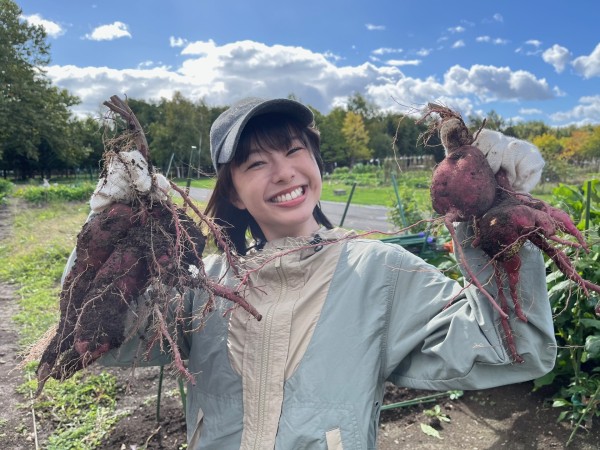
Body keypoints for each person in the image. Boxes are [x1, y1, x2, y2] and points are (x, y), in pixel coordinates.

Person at [96, 97, 556, 449]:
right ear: (233, 193)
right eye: (256, 163)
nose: (282, 172)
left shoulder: (379, 270)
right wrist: (100, 237)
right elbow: (105, 343)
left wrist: (494, 223)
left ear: (315, 164)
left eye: (294, 151)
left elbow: (514, 349)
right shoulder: (207, 286)